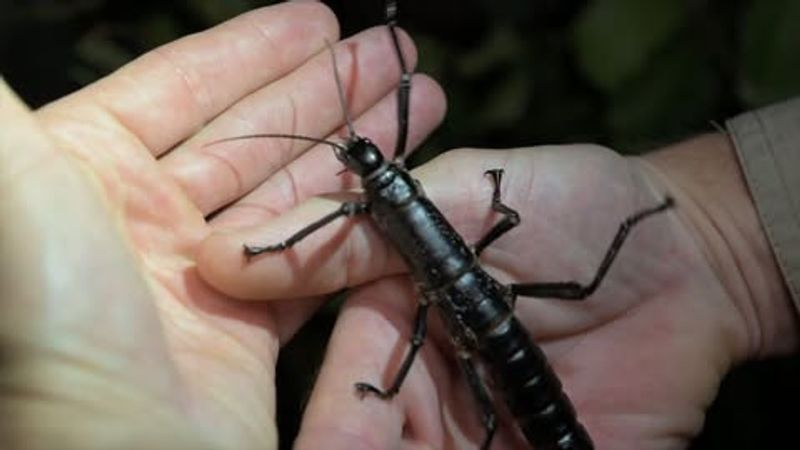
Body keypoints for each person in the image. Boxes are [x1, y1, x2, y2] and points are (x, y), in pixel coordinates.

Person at [1, 2, 797, 450]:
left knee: (482, 396)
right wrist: (718, 237)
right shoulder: (376, 199)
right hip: (481, 314)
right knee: (487, 395)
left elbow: (354, 232)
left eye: (370, 169)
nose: (365, 169)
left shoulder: (364, 206)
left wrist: (715, 240)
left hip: (477, 322)